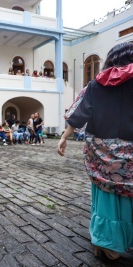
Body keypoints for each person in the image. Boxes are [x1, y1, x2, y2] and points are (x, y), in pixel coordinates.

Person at [57, 42, 133, 260]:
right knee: (129, 193)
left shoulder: (97, 84)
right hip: (131, 151)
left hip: (101, 150)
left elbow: (80, 112)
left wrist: (64, 137)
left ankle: (107, 241)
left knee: (104, 193)